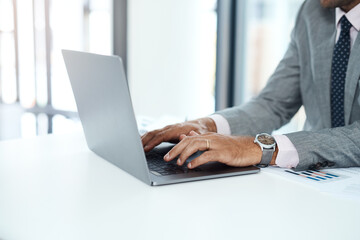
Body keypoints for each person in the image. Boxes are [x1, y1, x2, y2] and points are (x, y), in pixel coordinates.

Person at [141, 0, 360, 171]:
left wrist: (258, 148)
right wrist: (206, 126)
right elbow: (274, 103)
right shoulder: (312, 12)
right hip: (316, 180)